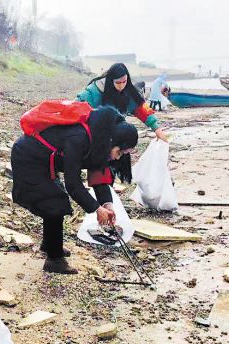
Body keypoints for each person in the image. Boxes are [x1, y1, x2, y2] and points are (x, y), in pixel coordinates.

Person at [11, 105, 138, 274]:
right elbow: (73, 184)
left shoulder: (99, 139)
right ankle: (54, 260)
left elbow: (99, 177)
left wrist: (107, 204)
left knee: (54, 197)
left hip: (45, 161)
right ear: (112, 142)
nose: (117, 157)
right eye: (119, 152)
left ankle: (50, 245)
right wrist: (96, 209)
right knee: (54, 203)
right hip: (28, 158)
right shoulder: (79, 138)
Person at [77, 63, 167, 143]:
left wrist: (156, 128)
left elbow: (141, 109)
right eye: (118, 82)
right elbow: (77, 107)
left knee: (130, 134)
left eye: (124, 82)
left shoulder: (128, 92)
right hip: (95, 132)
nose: (121, 86)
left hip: (115, 130)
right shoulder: (94, 91)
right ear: (111, 80)